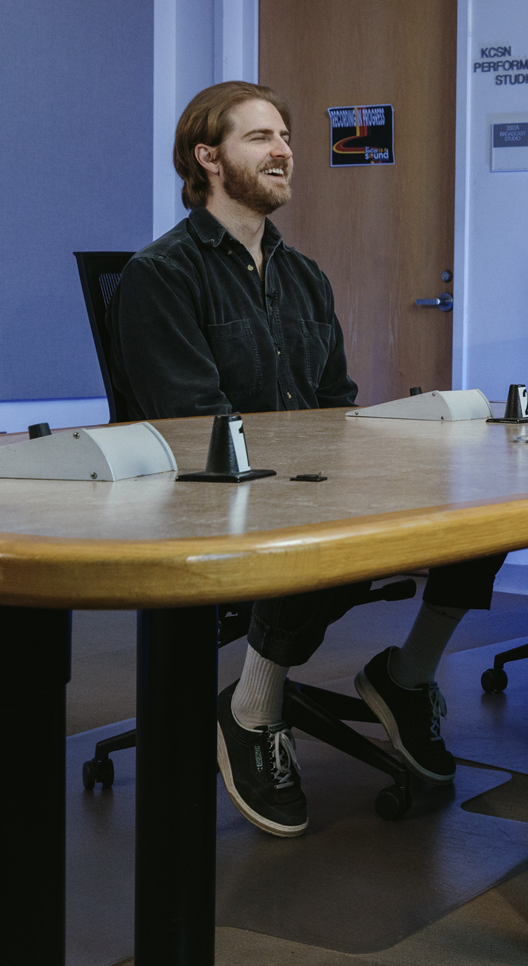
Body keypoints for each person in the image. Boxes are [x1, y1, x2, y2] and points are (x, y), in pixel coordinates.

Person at [108, 80, 505, 838]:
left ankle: (407, 677)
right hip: (214, 495)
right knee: (312, 508)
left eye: (285, 136)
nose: (284, 150)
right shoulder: (160, 275)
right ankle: (252, 708)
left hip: (304, 481)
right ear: (208, 157)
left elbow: (335, 406)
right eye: (260, 137)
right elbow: (197, 431)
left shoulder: (305, 276)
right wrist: (327, 473)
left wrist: (370, 463)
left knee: (483, 503)